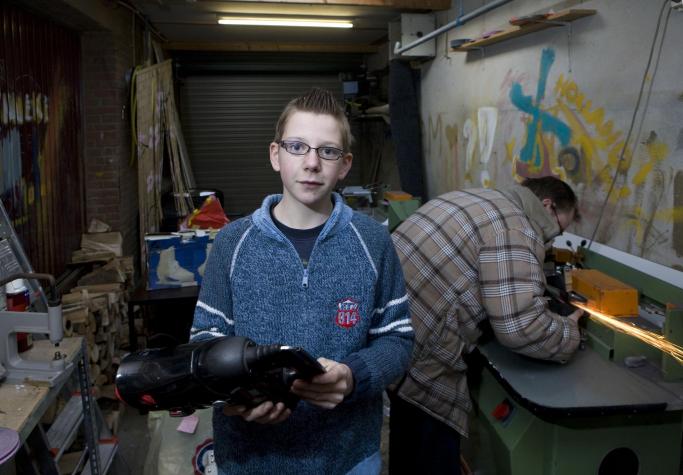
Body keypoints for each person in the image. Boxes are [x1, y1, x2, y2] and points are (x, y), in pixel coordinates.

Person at [190, 87, 414, 475]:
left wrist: (354, 376)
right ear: (275, 155)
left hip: (348, 458)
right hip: (250, 459)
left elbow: (397, 339)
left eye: (327, 151)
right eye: (297, 147)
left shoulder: (373, 241)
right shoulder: (232, 242)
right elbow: (205, 342)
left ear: (344, 165)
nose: (312, 163)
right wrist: (238, 397)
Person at [389, 176, 583, 474]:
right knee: (431, 451)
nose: (551, 240)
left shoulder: (477, 198)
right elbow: (521, 329)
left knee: (408, 444)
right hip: (421, 361)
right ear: (547, 206)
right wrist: (569, 331)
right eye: (557, 229)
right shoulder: (516, 227)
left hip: (391, 338)